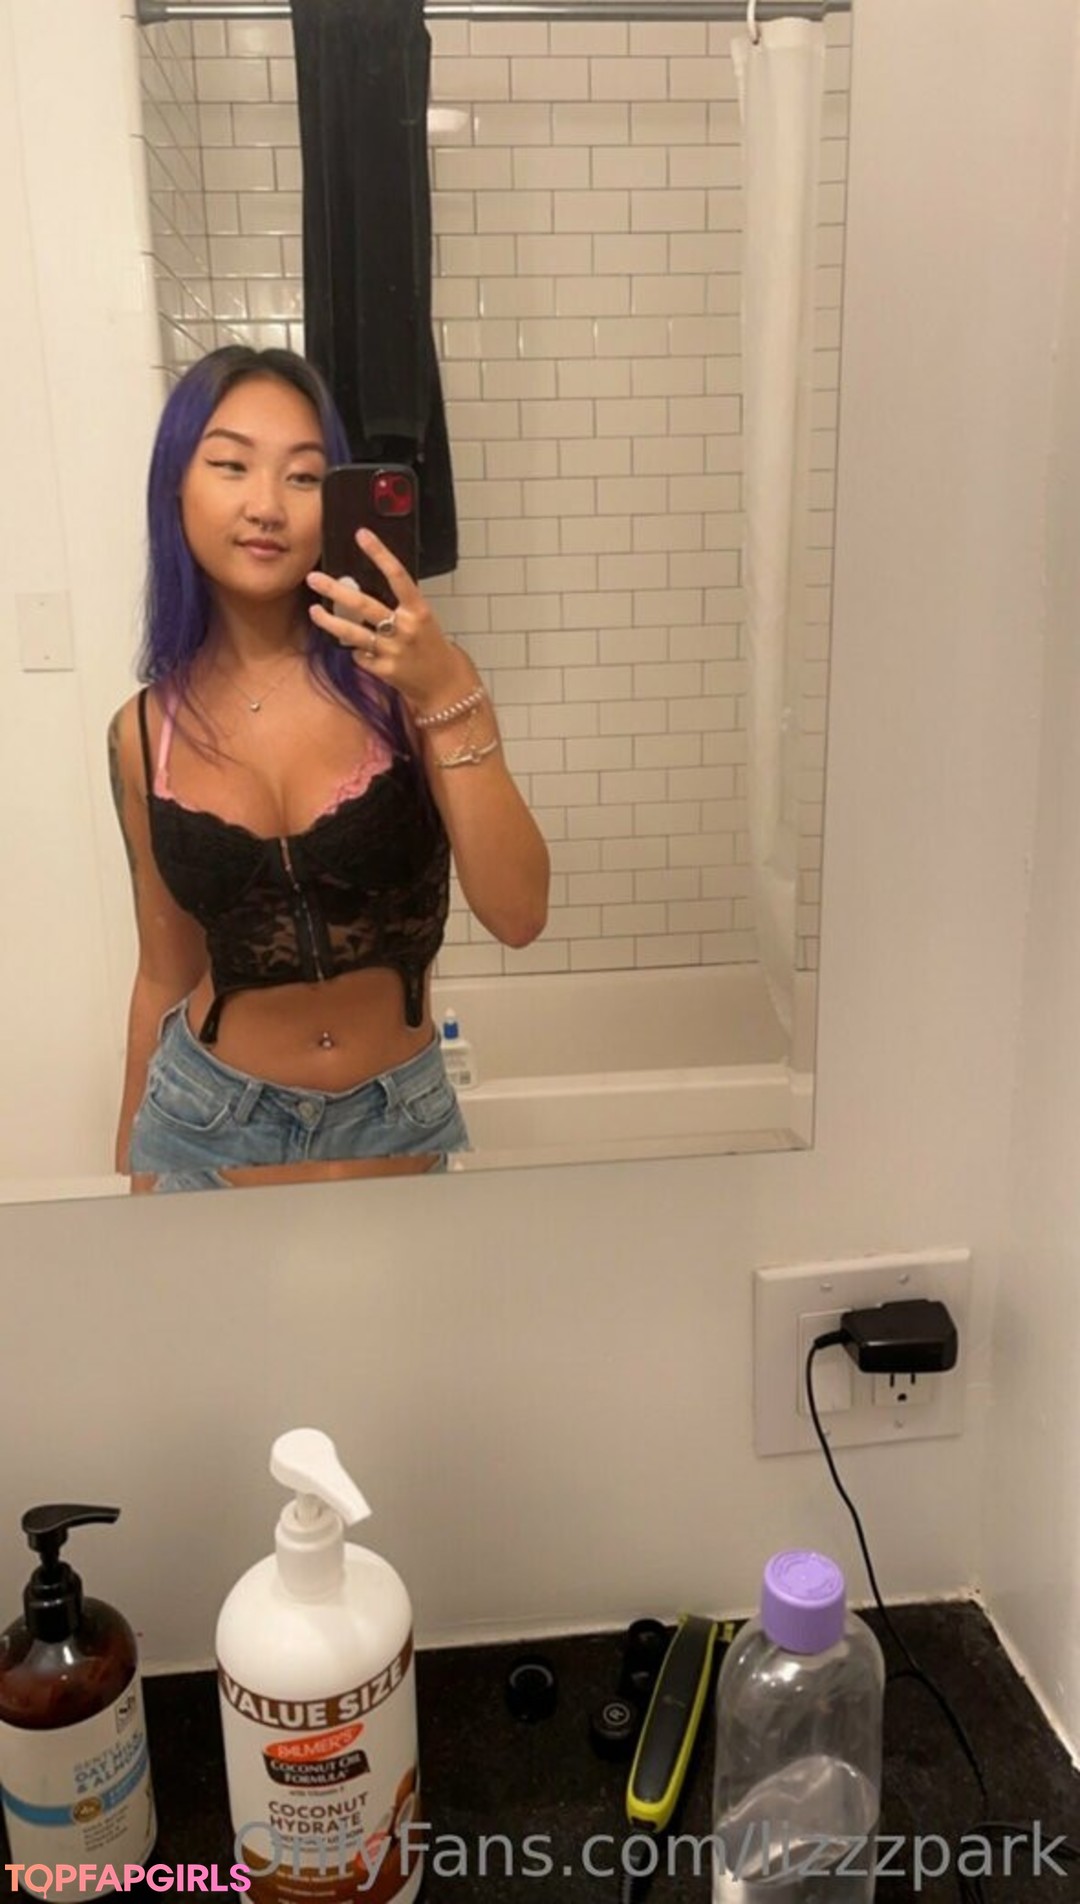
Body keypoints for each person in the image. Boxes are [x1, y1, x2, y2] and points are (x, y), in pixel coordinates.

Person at [108, 345, 549, 1191]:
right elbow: (163, 972)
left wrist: (449, 692)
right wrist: (131, 1179)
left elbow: (519, 913)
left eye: (304, 476)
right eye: (231, 465)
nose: (265, 505)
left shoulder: (414, 687)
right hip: (202, 1132)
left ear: (336, 500)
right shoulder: (144, 732)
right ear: (176, 489)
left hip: (397, 1126)